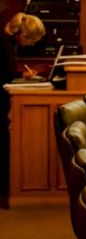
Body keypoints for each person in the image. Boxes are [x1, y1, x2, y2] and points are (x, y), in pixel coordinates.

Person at [0, 13, 45, 207]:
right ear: (23, 35)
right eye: (31, 40)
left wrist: (21, 74)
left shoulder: (5, 40)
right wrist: (21, 75)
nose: (31, 44)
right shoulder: (4, 43)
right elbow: (6, 73)